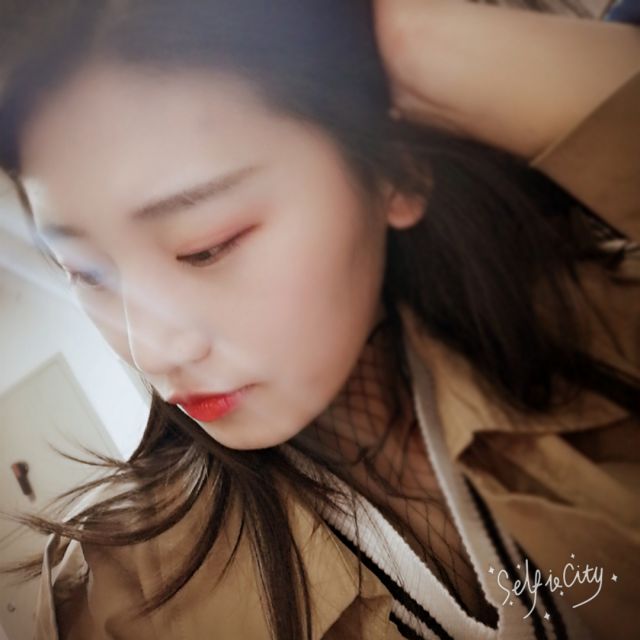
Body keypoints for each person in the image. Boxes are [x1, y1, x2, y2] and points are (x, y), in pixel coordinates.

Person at [0, 1, 638, 638]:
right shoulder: (114, 601)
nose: (154, 350)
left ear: (393, 169)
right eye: (87, 273)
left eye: (207, 245)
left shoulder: (604, 329)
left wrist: (408, 35)